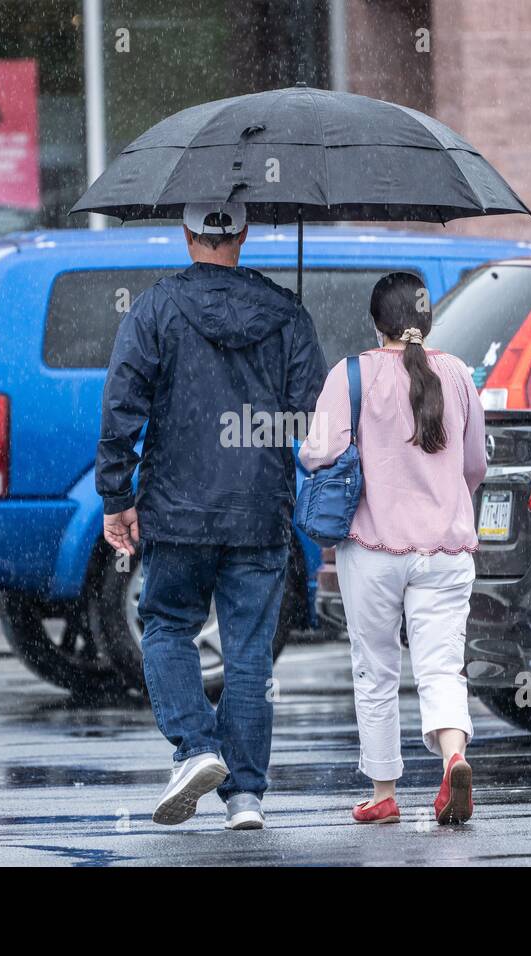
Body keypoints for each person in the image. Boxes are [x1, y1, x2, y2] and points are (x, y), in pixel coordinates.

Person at [96, 202, 327, 830]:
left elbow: (121, 405)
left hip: (177, 509)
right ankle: (246, 797)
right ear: (244, 234)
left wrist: (117, 495)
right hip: (259, 510)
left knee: (168, 626)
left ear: (187, 233)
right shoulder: (286, 313)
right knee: (249, 651)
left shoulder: (154, 309)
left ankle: (196, 747)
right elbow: (315, 421)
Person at [299, 272, 487, 826]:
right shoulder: (455, 374)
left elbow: (317, 454)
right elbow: (475, 464)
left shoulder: (350, 373)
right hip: (448, 550)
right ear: (427, 321)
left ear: (375, 322)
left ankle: (383, 791)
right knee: (442, 667)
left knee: (375, 667)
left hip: (373, 547)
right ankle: (454, 756)